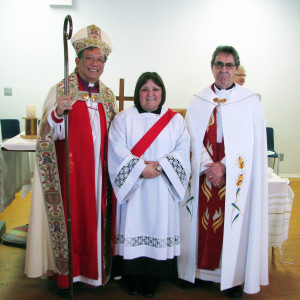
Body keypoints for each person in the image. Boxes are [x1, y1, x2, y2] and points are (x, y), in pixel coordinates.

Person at [25, 24, 117, 292]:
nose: (94, 64)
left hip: (102, 179)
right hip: (71, 177)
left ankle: (96, 274)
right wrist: (57, 113)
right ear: (77, 61)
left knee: (99, 222)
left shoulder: (108, 96)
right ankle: (70, 275)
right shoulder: (61, 90)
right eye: (89, 58)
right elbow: (46, 136)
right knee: (73, 222)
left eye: (100, 59)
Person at [178, 46, 268, 299]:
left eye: (229, 65)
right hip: (204, 175)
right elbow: (190, 138)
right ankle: (196, 273)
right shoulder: (198, 101)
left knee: (233, 221)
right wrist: (209, 165)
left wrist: (224, 165)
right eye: (219, 64)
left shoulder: (249, 101)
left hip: (233, 175)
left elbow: (251, 144)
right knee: (199, 219)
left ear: (236, 69)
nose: (224, 70)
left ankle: (233, 278)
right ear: (212, 67)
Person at [108, 72, 191, 298]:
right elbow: (116, 150)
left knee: (158, 227)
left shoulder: (175, 120)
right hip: (133, 190)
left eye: (155, 89)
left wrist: (162, 166)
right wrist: (140, 169)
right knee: (133, 227)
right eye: (145, 89)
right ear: (138, 94)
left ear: (162, 93)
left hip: (162, 187)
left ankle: (152, 279)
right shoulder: (123, 119)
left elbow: (183, 151)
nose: (150, 94)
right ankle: (132, 278)